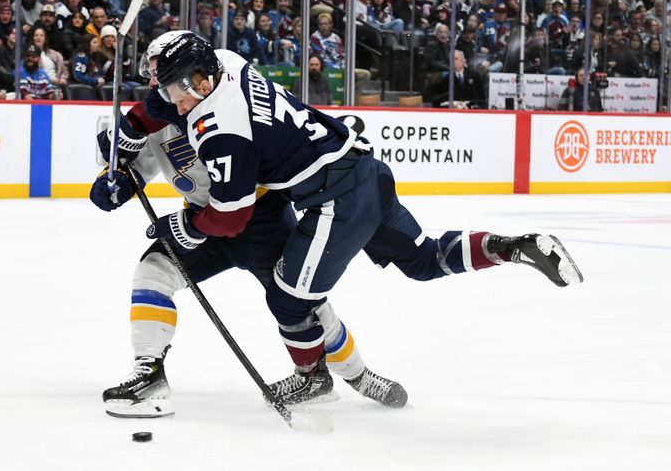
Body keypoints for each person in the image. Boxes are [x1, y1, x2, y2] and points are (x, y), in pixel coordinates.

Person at [148, 33, 584, 404]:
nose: (173, 101)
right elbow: (172, 105)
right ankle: (511, 246)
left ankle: (313, 380)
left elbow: (230, 217)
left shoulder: (222, 131)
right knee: (423, 261)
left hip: (335, 200)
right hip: (367, 172)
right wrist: (134, 129)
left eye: (174, 90)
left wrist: (183, 226)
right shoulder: (228, 62)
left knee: (288, 298)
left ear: (199, 82)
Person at [92, 31, 405, 417]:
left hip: (260, 217)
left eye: (163, 75)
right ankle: (149, 370)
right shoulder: (160, 110)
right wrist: (118, 177)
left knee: (302, 303)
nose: (159, 84)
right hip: (202, 219)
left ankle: (358, 375)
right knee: (152, 271)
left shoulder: (222, 110)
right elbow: (136, 163)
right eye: (155, 77)